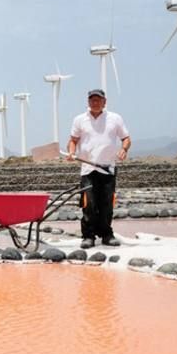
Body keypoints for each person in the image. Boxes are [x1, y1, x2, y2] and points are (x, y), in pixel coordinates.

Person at [67, 89, 131, 249]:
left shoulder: (115, 118)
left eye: (98, 100)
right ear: (88, 101)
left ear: (104, 101)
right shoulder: (79, 120)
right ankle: (88, 236)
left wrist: (124, 149)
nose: (95, 102)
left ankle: (107, 235)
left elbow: (126, 138)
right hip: (88, 169)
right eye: (92, 100)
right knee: (89, 204)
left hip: (108, 168)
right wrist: (71, 152)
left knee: (106, 204)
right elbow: (73, 140)